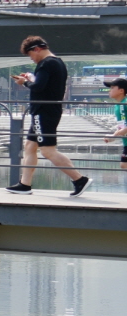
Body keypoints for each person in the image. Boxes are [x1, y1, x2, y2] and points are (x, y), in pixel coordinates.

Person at [9, 35, 88, 196]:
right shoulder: (57, 62)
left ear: (37, 49)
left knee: (47, 150)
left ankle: (79, 180)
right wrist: (31, 78)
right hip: (48, 110)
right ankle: (25, 184)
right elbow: (44, 85)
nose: (31, 59)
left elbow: (38, 88)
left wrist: (24, 82)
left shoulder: (46, 63)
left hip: (43, 112)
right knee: (30, 146)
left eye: (30, 55)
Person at [106, 77, 127, 177]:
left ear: (121, 91)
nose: (109, 90)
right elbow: (122, 125)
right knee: (124, 165)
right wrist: (113, 136)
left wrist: (122, 131)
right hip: (126, 141)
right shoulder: (118, 105)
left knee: (124, 164)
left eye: (112, 88)